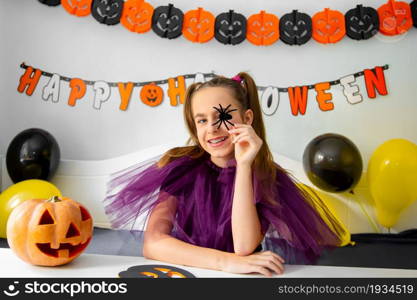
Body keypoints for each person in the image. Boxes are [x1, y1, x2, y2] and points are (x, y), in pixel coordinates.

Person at [104, 72, 347, 277]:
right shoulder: (180, 168)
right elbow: (153, 243)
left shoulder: (266, 179)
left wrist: (243, 165)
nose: (212, 128)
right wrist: (226, 262)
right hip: (187, 272)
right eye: (201, 120)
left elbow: (242, 247)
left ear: (247, 118)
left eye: (223, 116)